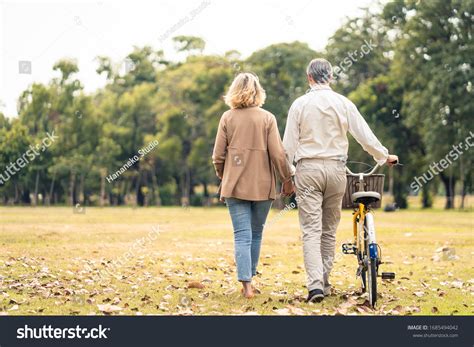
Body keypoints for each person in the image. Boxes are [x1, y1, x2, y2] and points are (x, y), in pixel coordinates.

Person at [282, 58, 398, 303]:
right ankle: (323, 281)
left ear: (309, 77)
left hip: (308, 169)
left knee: (311, 231)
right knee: (329, 231)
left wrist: (287, 175)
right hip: (336, 170)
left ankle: (315, 286)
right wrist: (383, 155)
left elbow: (288, 147)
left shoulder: (299, 104)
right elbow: (364, 137)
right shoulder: (343, 103)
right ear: (331, 77)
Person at [212, 72, 294, 299]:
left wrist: (224, 175)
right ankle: (249, 282)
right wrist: (287, 179)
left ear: (233, 91)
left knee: (242, 235)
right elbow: (278, 154)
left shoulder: (227, 118)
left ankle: (246, 285)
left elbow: (218, 156)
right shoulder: (268, 118)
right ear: (258, 92)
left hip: (234, 186)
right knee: (256, 233)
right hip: (262, 186)